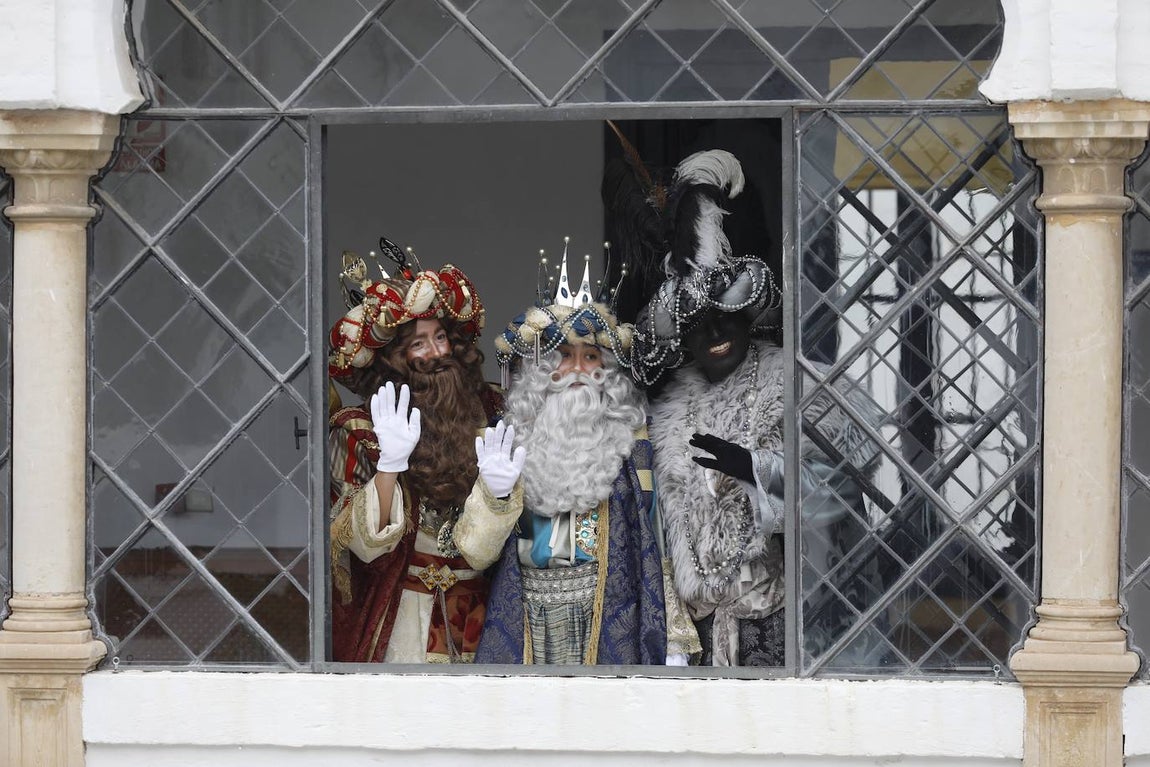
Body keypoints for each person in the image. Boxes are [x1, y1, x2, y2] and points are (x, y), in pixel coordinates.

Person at [631, 151, 881, 666]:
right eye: (698, 327)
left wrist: (756, 469)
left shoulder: (794, 387)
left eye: (726, 319)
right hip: (698, 641)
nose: (716, 334)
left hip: (783, 626)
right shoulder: (667, 414)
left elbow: (842, 485)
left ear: (748, 318)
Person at [457, 251, 669, 664]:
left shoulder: (634, 446)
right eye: (563, 355)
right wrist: (495, 498)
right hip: (527, 625)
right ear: (542, 368)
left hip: (607, 621)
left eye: (590, 357)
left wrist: (673, 633)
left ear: (606, 369)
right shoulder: (505, 439)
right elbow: (475, 554)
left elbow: (655, 548)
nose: (576, 369)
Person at [327, 242, 523, 663]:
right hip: (402, 620)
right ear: (394, 362)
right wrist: (390, 465)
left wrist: (498, 495)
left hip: (483, 618)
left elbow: (481, 551)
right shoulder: (359, 430)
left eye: (440, 338)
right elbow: (364, 547)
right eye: (418, 345)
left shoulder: (491, 410)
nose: (436, 353)